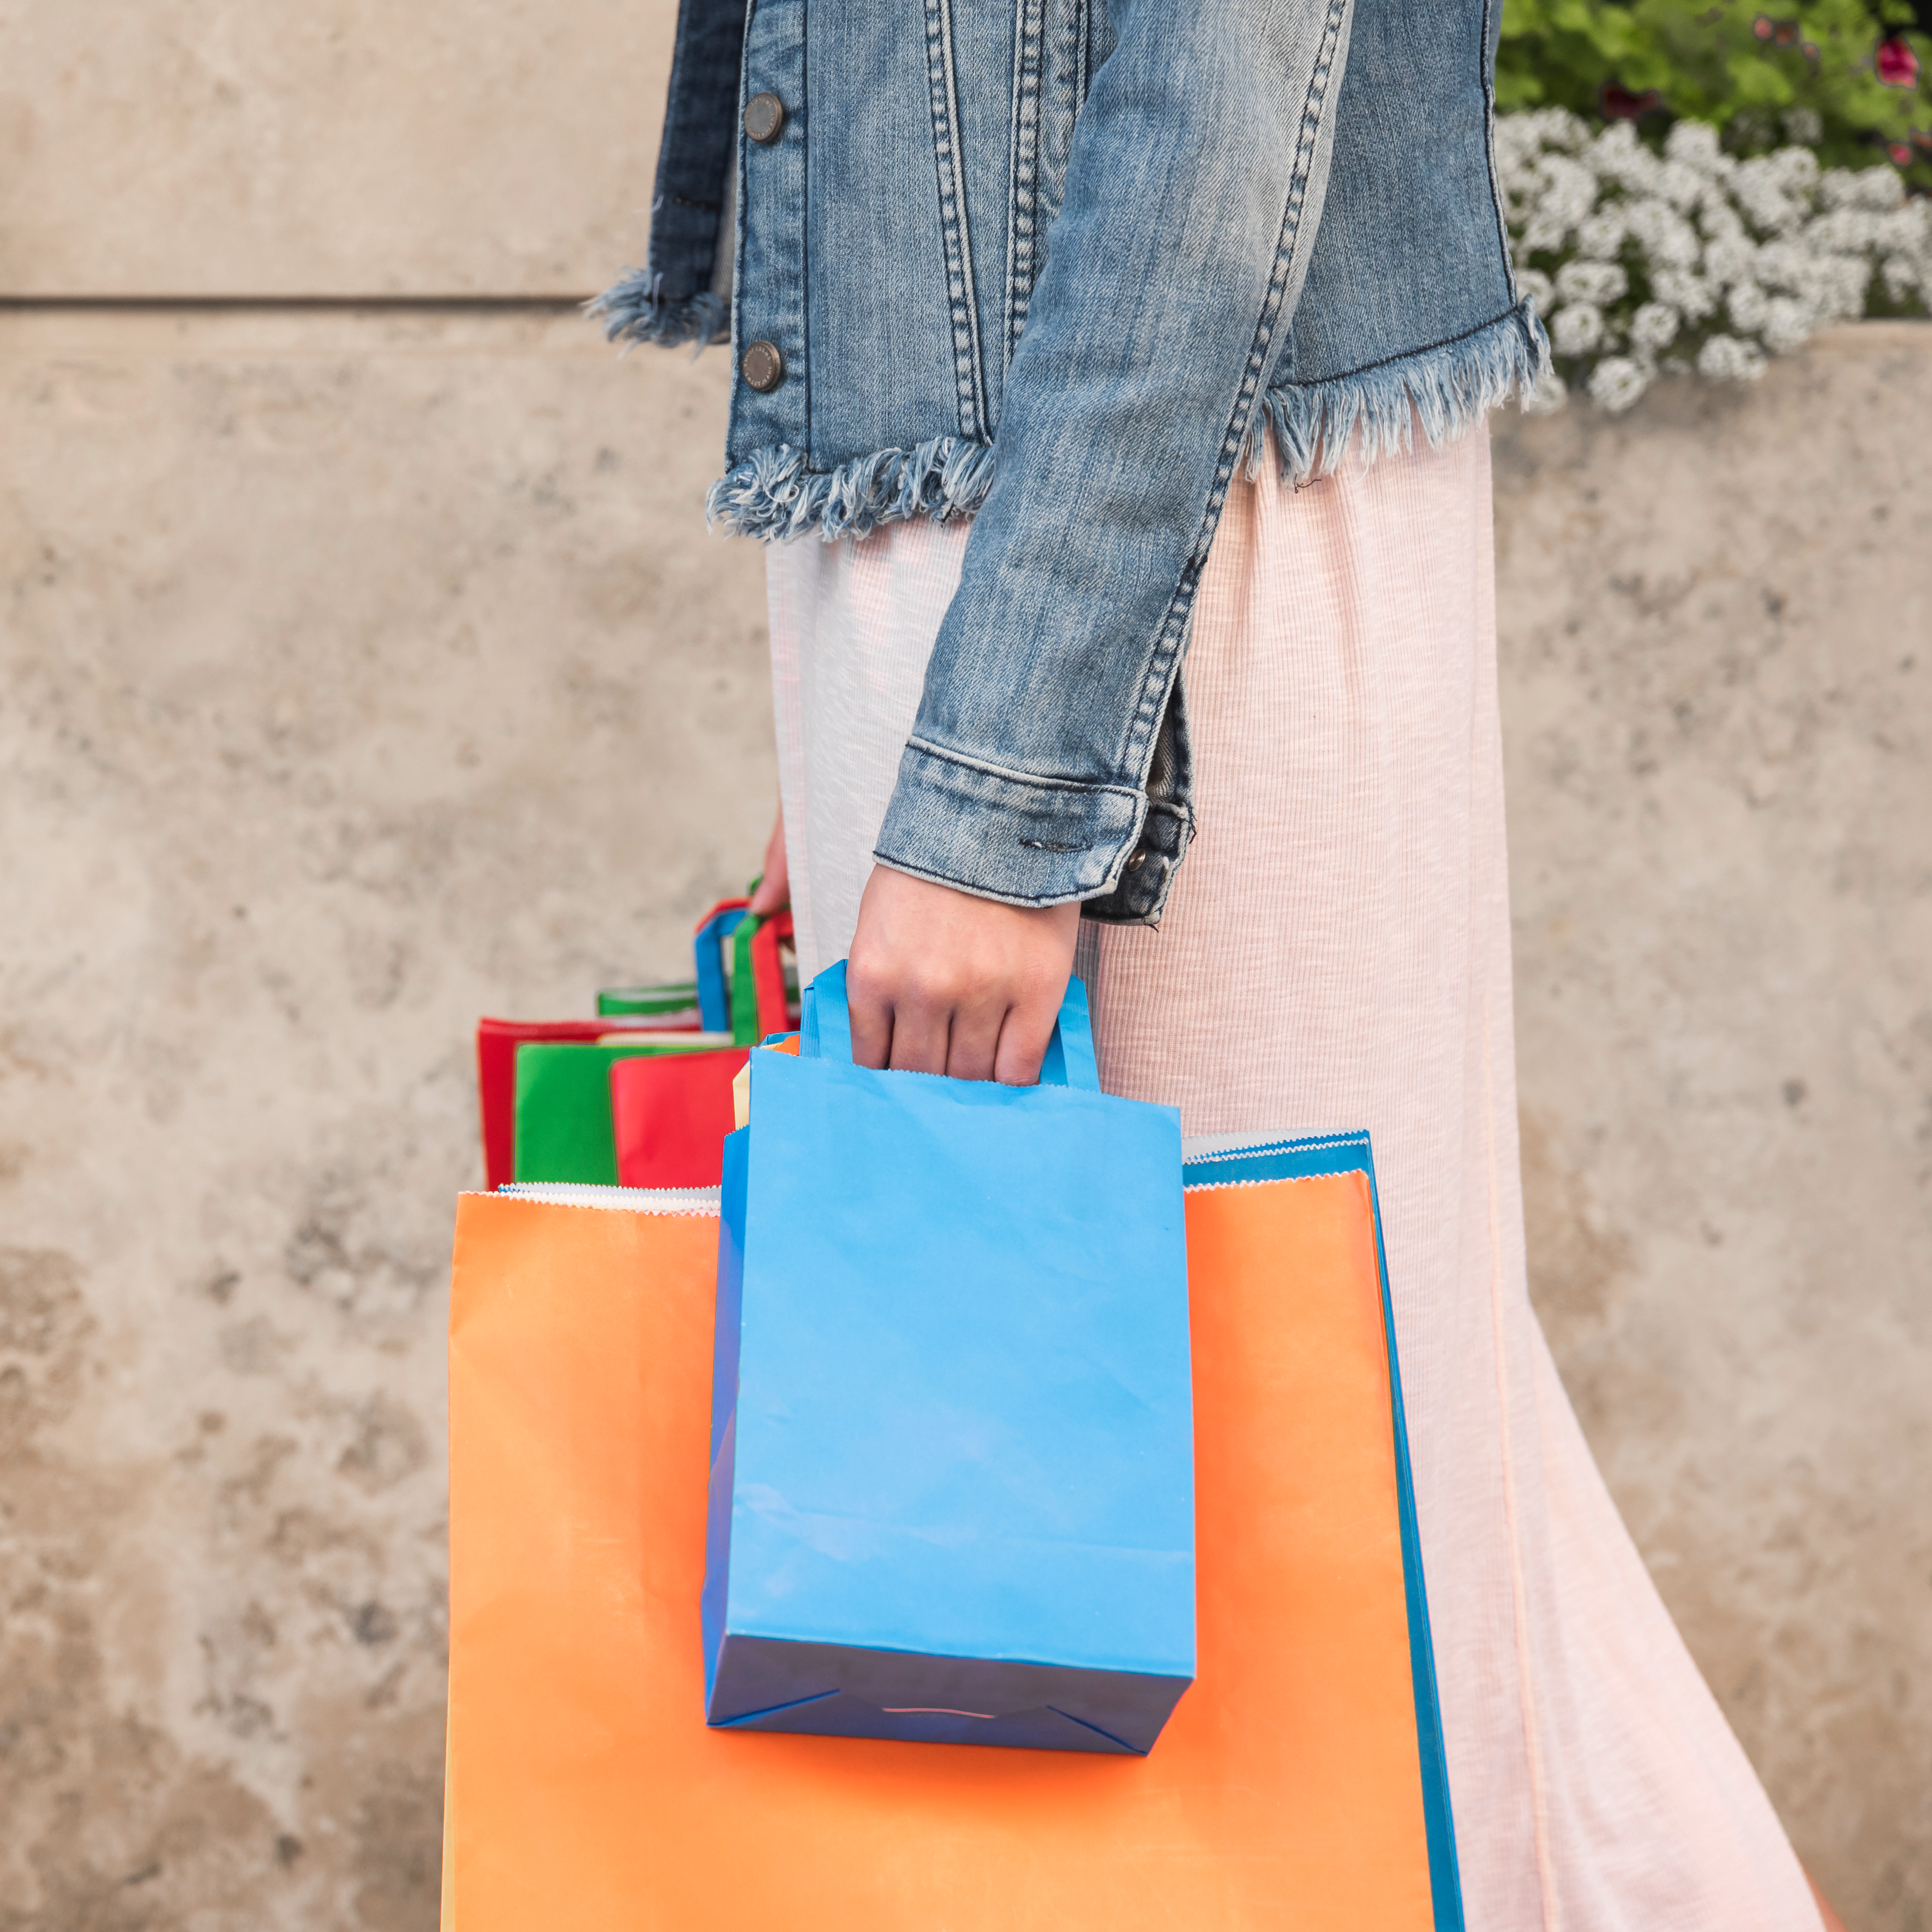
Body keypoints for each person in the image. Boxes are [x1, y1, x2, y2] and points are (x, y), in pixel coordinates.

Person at [599, 0, 1843, 1924]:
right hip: (1017, 566)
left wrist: (1000, 790)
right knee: (1395, 1492)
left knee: (1281, 1556)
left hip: (1140, 573)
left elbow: (1216, 117)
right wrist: (869, 758)